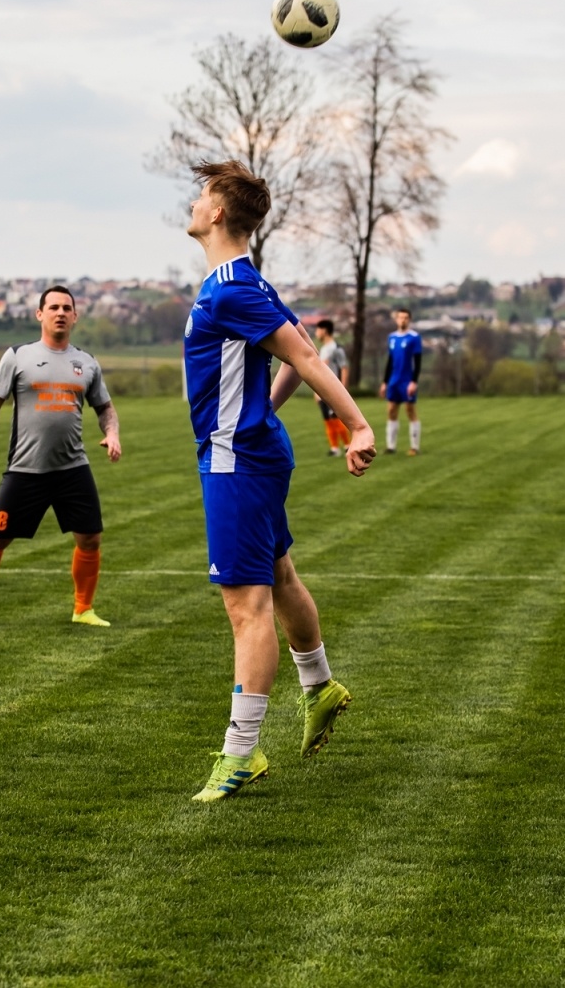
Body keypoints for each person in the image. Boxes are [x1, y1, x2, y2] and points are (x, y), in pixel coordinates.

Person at [181, 160, 376, 803]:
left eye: (201, 194)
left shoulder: (230, 289)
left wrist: (357, 425)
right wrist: (264, 405)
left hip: (237, 457)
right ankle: (320, 688)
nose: (194, 202)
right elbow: (295, 352)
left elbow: (306, 356)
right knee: (281, 575)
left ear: (216, 214)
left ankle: (241, 753)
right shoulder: (243, 282)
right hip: (255, 448)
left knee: (246, 606)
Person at [0, 286, 122, 629]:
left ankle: (83, 609)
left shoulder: (87, 362)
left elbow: (105, 407)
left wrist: (111, 433)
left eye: (67, 307)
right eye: (53, 307)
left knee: (90, 537)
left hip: (73, 468)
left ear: (75, 316)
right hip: (25, 469)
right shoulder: (18, 356)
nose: (61, 312)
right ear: (40, 314)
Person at [381, 307, 423, 455]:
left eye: (406, 317)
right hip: (394, 380)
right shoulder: (392, 337)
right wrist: (385, 382)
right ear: (396, 319)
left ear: (409, 319)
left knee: (410, 410)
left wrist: (414, 381)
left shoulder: (414, 337)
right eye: (400, 317)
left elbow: (417, 362)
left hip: (407, 381)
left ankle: (414, 447)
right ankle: (391, 446)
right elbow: (390, 360)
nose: (403, 320)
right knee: (391, 410)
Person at [313, 319, 352, 456]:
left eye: (318, 329)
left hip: (333, 390)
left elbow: (344, 368)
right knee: (327, 419)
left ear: (324, 330)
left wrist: (342, 388)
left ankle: (348, 445)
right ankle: (334, 448)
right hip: (322, 389)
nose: (316, 333)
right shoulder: (323, 349)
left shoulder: (336, 348)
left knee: (335, 418)